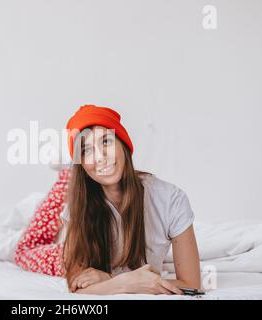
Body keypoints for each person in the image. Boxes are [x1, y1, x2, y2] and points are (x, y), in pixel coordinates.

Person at [14, 105, 200, 295]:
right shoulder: (78, 207)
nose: (101, 157)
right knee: (24, 251)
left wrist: (111, 280)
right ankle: (66, 173)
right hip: (61, 251)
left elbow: (192, 285)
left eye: (106, 142)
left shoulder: (170, 199)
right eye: (86, 150)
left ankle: (69, 169)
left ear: (123, 144)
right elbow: (77, 287)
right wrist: (126, 282)